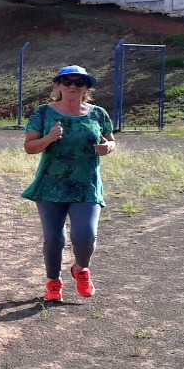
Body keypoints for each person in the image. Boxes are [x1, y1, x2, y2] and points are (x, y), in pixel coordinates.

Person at [22, 65, 116, 302]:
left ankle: (81, 269)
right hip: (50, 185)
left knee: (85, 235)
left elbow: (111, 140)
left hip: (86, 184)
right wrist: (49, 138)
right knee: (54, 238)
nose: (73, 86)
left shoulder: (98, 113)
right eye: (67, 81)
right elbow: (29, 147)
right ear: (58, 85)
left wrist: (108, 148)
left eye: (79, 82)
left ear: (86, 88)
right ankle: (53, 282)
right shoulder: (43, 113)